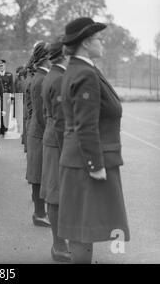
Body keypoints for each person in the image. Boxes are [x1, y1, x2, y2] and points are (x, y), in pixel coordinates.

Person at [58, 17, 130, 263]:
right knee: (82, 228)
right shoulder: (85, 73)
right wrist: (95, 165)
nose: (102, 43)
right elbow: (85, 125)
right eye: (99, 39)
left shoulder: (80, 68)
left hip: (79, 159)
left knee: (81, 227)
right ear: (87, 43)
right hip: (86, 162)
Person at [39, 38, 70, 262]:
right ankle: (59, 247)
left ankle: (60, 244)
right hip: (58, 142)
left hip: (52, 139)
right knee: (56, 194)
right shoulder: (59, 78)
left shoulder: (53, 74)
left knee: (55, 193)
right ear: (65, 54)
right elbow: (60, 120)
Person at [25, 42, 51, 227]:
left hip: (39, 131)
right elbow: (41, 115)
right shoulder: (41, 78)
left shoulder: (43, 76)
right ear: (46, 58)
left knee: (40, 174)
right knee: (38, 175)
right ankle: (39, 214)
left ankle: (41, 212)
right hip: (40, 133)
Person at [0, 59, 14, 133]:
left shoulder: (9, 75)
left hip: (6, 96)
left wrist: (11, 97)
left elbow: (11, 86)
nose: (1, 67)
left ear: (5, 66)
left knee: (6, 112)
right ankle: (0, 128)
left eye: (2, 65)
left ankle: (5, 127)